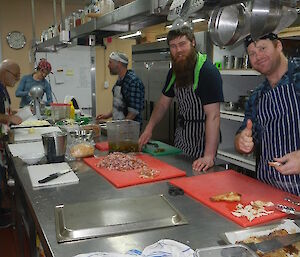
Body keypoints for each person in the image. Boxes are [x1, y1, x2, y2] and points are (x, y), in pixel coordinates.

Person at [139, 26, 223, 172]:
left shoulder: (207, 72)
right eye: (173, 46)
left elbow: (213, 115)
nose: (178, 50)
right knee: (177, 176)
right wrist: (149, 128)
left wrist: (208, 155)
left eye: (182, 44)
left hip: (202, 139)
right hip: (182, 136)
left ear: (193, 43)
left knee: (196, 180)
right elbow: (163, 104)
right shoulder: (174, 71)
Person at [235, 33, 300, 195]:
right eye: (252, 53)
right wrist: (241, 142)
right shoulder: (257, 96)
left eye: (262, 48)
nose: (258, 56)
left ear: (278, 46)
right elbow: (243, 134)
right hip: (268, 191)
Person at [0, 59, 22, 228]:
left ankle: (2, 211)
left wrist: (12, 112)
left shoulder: (4, 89)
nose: (17, 79)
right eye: (15, 76)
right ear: (5, 72)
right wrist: (8, 118)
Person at [96, 52, 145, 126]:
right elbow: (118, 105)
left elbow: (133, 112)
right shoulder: (120, 79)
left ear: (118, 63)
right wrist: (107, 116)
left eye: (110, 62)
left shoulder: (133, 81)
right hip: (119, 126)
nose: (108, 65)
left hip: (129, 129)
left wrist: (120, 128)